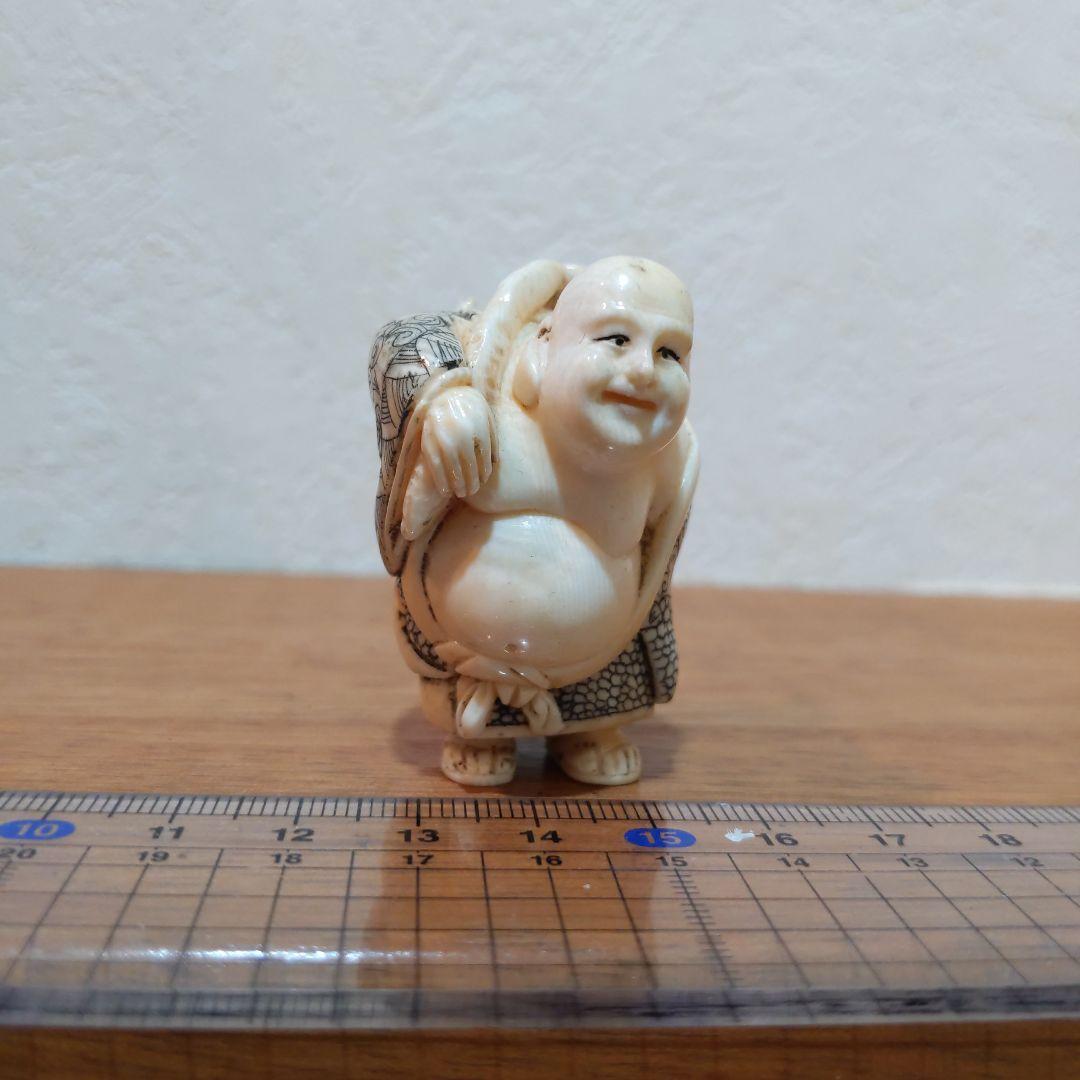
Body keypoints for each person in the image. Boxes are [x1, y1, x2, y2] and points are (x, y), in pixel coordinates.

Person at [369, 257, 698, 786]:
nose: (643, 369)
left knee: (601, 708)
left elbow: (656, 564)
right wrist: (440, 397)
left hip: (599, 664)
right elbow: (399, 340)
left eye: (669, 352)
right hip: (466, 651)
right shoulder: (486, 376)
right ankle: (484, 734)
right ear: (544, 344)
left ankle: (590, 732)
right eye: (616, 339)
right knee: (476, 726)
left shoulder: (667, 455)